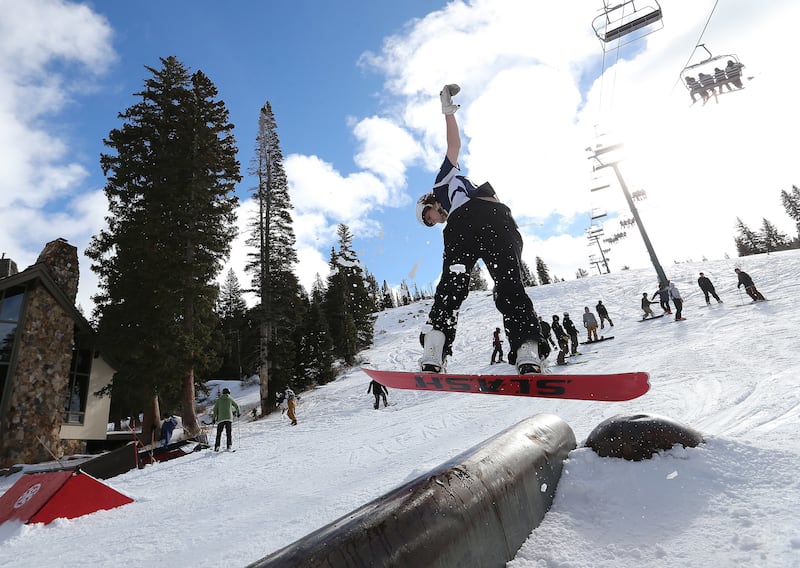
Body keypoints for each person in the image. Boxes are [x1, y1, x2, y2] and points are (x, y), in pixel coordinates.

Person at [416, 84, 542, 374]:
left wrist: (447, 113)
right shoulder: (450, 196)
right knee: (509, 282)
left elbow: (453, 146)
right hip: (496, 219)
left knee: (452, 286)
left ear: (428, 202)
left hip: (468, 224)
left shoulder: (441, 183)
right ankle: (527, 348)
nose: (435, 221)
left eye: (430, 217)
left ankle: (435, 347)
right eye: (431, 223)